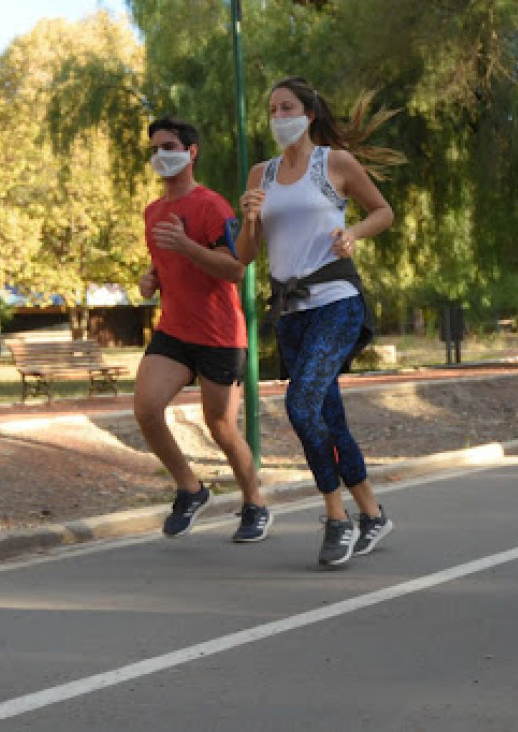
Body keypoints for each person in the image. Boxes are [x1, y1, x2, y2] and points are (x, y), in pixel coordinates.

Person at [236, 76, 399, 567]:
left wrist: (354, 233)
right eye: (272, 110)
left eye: (288, 108)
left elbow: (383, 211)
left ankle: (336, 518)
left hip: (336, 300)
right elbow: (245, 254)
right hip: (292, 312)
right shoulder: (260, 176)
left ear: (308, 115)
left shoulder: (335, 164)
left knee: (301, 405)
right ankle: (372, 513)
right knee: (327, 416)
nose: (278, 117)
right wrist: (247, 220)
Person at [136, 117, 270, 542]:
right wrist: (150, 277)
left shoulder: (212, 206)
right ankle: (190, 489)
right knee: (145, 408)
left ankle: (255, 502)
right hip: (174, 330)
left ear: (191, 152)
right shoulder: (153, 211)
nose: (161, 155)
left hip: (218, 334)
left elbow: (233, 268)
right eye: (155, 149)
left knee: (222, 427)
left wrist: (186, 247)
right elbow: (163, 260)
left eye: (169, 146)